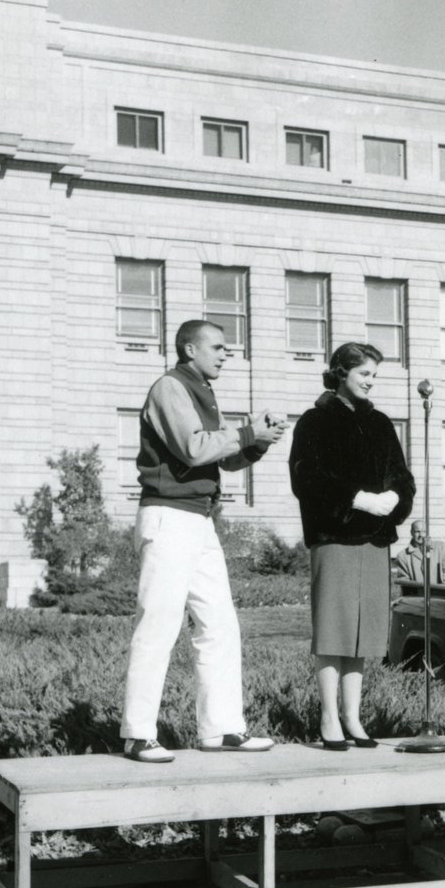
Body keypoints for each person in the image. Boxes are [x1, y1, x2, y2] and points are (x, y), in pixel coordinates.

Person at [119, 320, 288, 762]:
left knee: (220, 624)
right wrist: (248, 433)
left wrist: (257, 443)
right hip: (169, 517)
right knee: (158, 625)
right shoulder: (170, 387)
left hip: (197, 520)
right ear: (189, 349)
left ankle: (221, 729)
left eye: (226, 349)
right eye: (217, 347)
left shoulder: (199, 391)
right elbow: (194, 448)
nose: (225, 354)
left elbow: (217, 460)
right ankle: (138, 734)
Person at [290, 342, 415, 750]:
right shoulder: (315, 421)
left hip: (374, 540)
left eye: (374, 376)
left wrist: (396, 499)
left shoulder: (380, 423)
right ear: (341, 372)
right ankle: (328, 717)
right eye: (364, 374)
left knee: (363, 634)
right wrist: (357, 499)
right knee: (334, 630)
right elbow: (306, 478)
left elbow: (402, 476)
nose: (370, 382)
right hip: (335, 536)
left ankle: (352, 717)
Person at [394, 519, 445, 585]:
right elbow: (404, 582)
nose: (421, 535)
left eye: (424, 531)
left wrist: (441, 592)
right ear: (411, 532)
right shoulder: (403, 556)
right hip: (418, 594)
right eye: (417, 531)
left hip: (440, 593)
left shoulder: (441, 548)